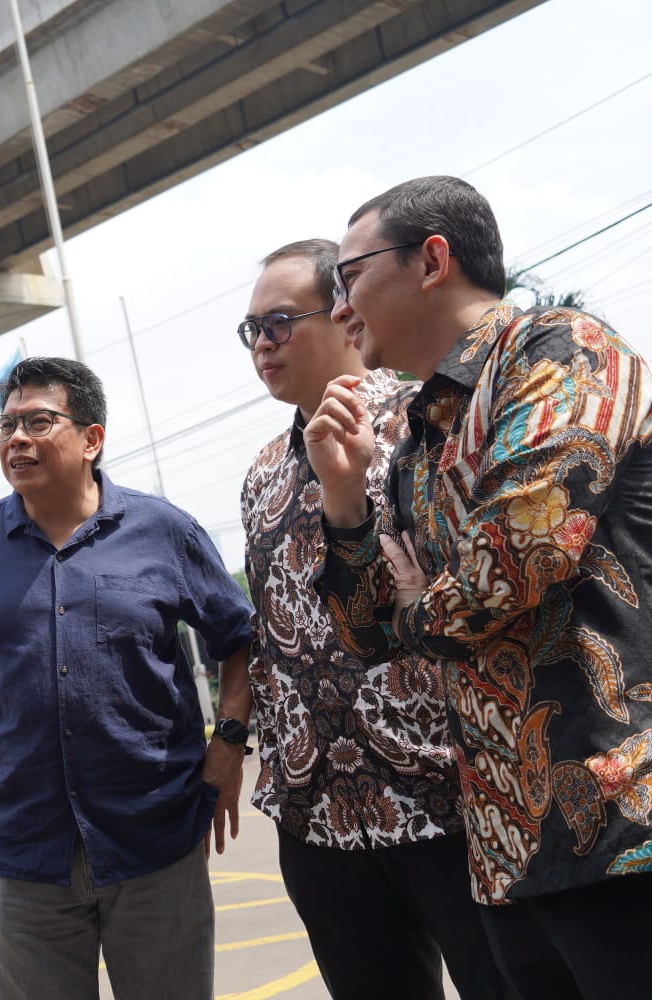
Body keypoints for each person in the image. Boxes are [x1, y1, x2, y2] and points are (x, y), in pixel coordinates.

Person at [306, 175, 652, 999]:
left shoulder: (561, 349)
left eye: (350, 276)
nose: (341, 308)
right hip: (506, 847)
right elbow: (368, 634)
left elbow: (520, 554)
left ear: (432, 260)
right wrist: (344, 498)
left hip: (625, 821)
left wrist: (425, 601)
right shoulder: (417, 443)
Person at [0, 356, 254, 1000]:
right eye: (6, 425)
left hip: (155, 837)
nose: (16, 438)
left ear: (91, 439)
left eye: (38, 421)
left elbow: (237, 638)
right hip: (22, 847)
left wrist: (229, 745)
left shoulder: (165, 531)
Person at [238, 239, 513, 999]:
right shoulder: (261, 471)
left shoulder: (429, 422)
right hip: (319, 815)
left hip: (443, 798)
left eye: (280, 322)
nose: (263, 343)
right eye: (251, 329)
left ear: (345, 310)